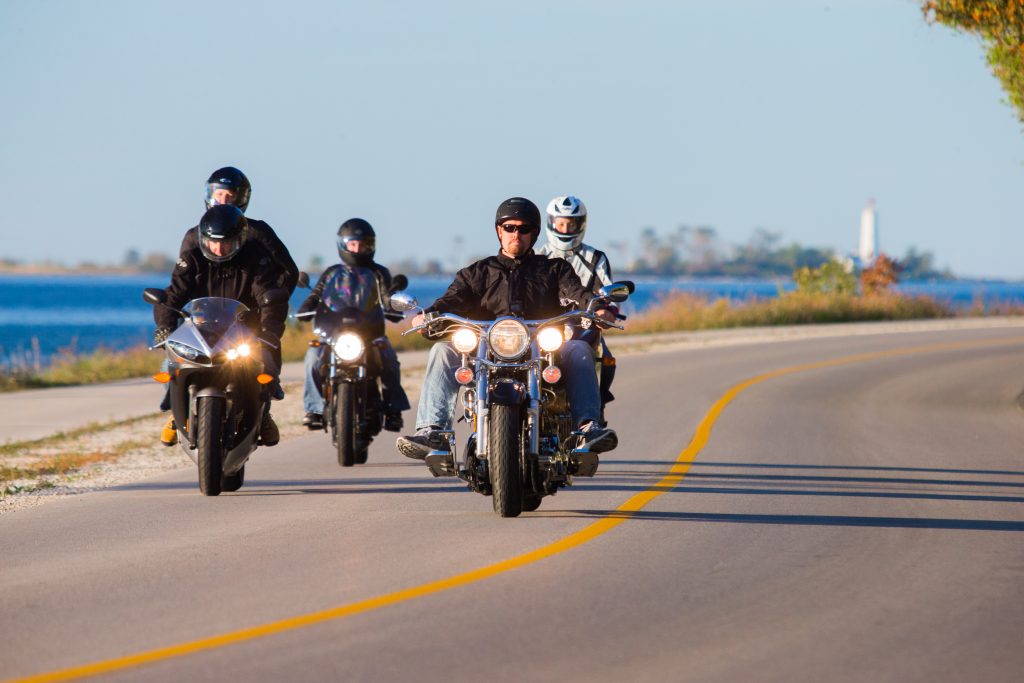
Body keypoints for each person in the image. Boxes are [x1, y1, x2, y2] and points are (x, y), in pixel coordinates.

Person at [395, 197, 618, 461]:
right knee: (443, 351)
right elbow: (451, 301)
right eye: (510, 228)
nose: (516, 234)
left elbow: (578, 293)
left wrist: (597, 308)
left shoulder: (555, 269)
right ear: (499, 231)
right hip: (485, 351)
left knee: (579, 348)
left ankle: (588, 427)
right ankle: (432, 431)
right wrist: (427, 316)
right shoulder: (477, 273)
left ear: (534, 233)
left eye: (523, 229)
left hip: (543, 349)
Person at [154, 204, 288, 446]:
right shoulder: (192, 259)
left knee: (265, 365)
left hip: (243, 331)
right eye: (213, 242)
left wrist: (269, 331)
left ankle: (263, 413)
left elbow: (269, 297)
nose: (218, 248)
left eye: (225, 243)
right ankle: (176, 413)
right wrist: (164, 327)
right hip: (199, 329)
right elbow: (172, 296)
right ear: (203, 238)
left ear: (239, 239)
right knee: (170, 363)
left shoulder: (256, 259)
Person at [179, 167, 298, 398]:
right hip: (205, 320)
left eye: (230, 195)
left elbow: (288, 271)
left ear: (242, 198)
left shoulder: (258, 232)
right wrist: (183, 316)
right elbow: (182, 280)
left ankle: (268, 391)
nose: (223, 200)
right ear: (208, 194)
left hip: (248, 317)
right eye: (218, 194)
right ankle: (175, 406)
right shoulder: (194, 235)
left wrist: (270, 303)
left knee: (265, 361)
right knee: (174, 365)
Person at [297, 218, 410, 431]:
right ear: (343, 245)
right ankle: (314, 409)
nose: (357, 249)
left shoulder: (379, 273)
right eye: (353, 244)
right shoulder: (332, 273)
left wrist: (393, 307)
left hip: (369, 333)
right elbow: (316, 295)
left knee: (389, 359)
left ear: (370, 246)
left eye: (362, 244)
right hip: (335, 333)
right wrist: (305, 308)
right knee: (312, 356)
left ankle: (393, 410)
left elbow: (387, 297)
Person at [537, 195, 618, 421]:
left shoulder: (595, 258)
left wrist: (606, 311)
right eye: (561, 224)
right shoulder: (537, 257)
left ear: (581, 225)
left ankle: (595, 412)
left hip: (583, 325)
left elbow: (608, 292)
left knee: (606, 358)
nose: (565, 229)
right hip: (543, 327)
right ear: (551, 223)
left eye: (570, 224)